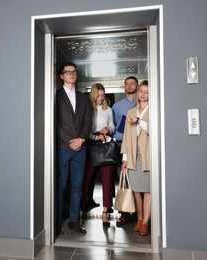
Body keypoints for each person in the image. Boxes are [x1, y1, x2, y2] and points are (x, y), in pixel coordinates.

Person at [56, 62, 92, 235]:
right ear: (61, 76)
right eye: (67, 72)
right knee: (60, 185)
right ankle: (55, 221)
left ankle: (74, 220)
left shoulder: (84, 98)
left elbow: (87, 122)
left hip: (81, 149)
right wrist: (70, 141)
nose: (71, 74)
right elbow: (54, 123)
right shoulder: (55, 96)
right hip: (62, 148)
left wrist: (82, 139)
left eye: (74, 72)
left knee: (78, 186)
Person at [80, 83, 115, 227]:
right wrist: (95, 137)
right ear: (93, 94)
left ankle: (105, 212)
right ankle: (81, 208)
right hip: (91, 145)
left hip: (106, 146)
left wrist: (109, 129)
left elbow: (113, 125)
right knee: (86, 179)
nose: (102, 98)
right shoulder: (87, 109)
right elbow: (83, 129)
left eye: (103, 94)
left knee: (107, 180)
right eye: (99, 95)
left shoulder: (109, 110)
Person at [121, 80, 150, 236]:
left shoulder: (155, 110)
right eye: (141, 91)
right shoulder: (131, 111)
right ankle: (139, 218)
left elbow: (155, 130)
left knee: (147, 191)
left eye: (147, 92)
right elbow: (126, 137)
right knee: (136, 191)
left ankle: (145, 222)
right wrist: (125, 158)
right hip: (133, 156)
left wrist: (140, 121)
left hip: (148, 156)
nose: (143, 94)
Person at [112, 76, 138, 227]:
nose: (129, 86)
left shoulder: (142, 103)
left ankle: (137, 213)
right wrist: (121, 134)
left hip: (140, 146)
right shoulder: (117, 106)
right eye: (127, 84)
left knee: (137, 180)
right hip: (122, 146)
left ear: (137, 85)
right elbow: (113, 127)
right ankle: (124, 213)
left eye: (132, 83)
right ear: (124, 87)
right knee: (122, 179)